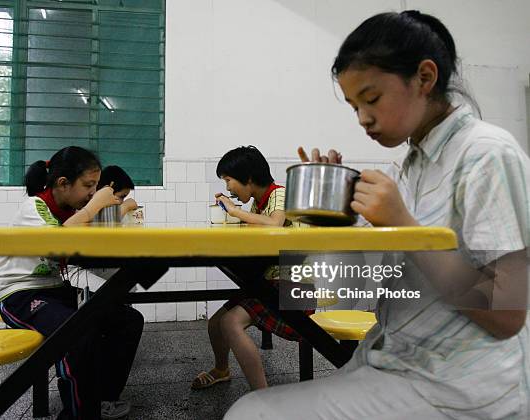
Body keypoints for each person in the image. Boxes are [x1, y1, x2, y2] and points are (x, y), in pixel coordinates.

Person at [225, 10, 529, 419]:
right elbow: (353, 282)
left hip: (461, 387)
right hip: (395, 360)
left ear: (424, 77)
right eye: (354, 106)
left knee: (252, 413)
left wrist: (402, 225)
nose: (363, 118)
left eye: (371, 99)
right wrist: (332, 218)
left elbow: (506, 313)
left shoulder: (487, 154)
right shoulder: (408, 167)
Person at [0, 146, 145, 419]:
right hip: (20, 296)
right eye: (88, 185)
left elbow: (90, 245)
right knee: (75, 336)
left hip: (56, 292)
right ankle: (79, 413)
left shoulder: (68, 211)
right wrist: (95, 206)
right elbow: (60, 245)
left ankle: (104, 399)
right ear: (63, 183)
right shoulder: (35, 207)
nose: (92, 193)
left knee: (127, 321)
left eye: (96, 187)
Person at [192, 145, 307, 391]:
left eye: (229, 180)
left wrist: (235, 211)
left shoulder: (280, 194)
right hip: (269, 284)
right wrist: (235, 216)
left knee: (230, 323)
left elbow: (274, 224)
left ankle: (261, 396)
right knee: (215, 324)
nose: (227, 188)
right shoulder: (257, 204)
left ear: (250, 179)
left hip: (294, 290)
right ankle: (221, 370)